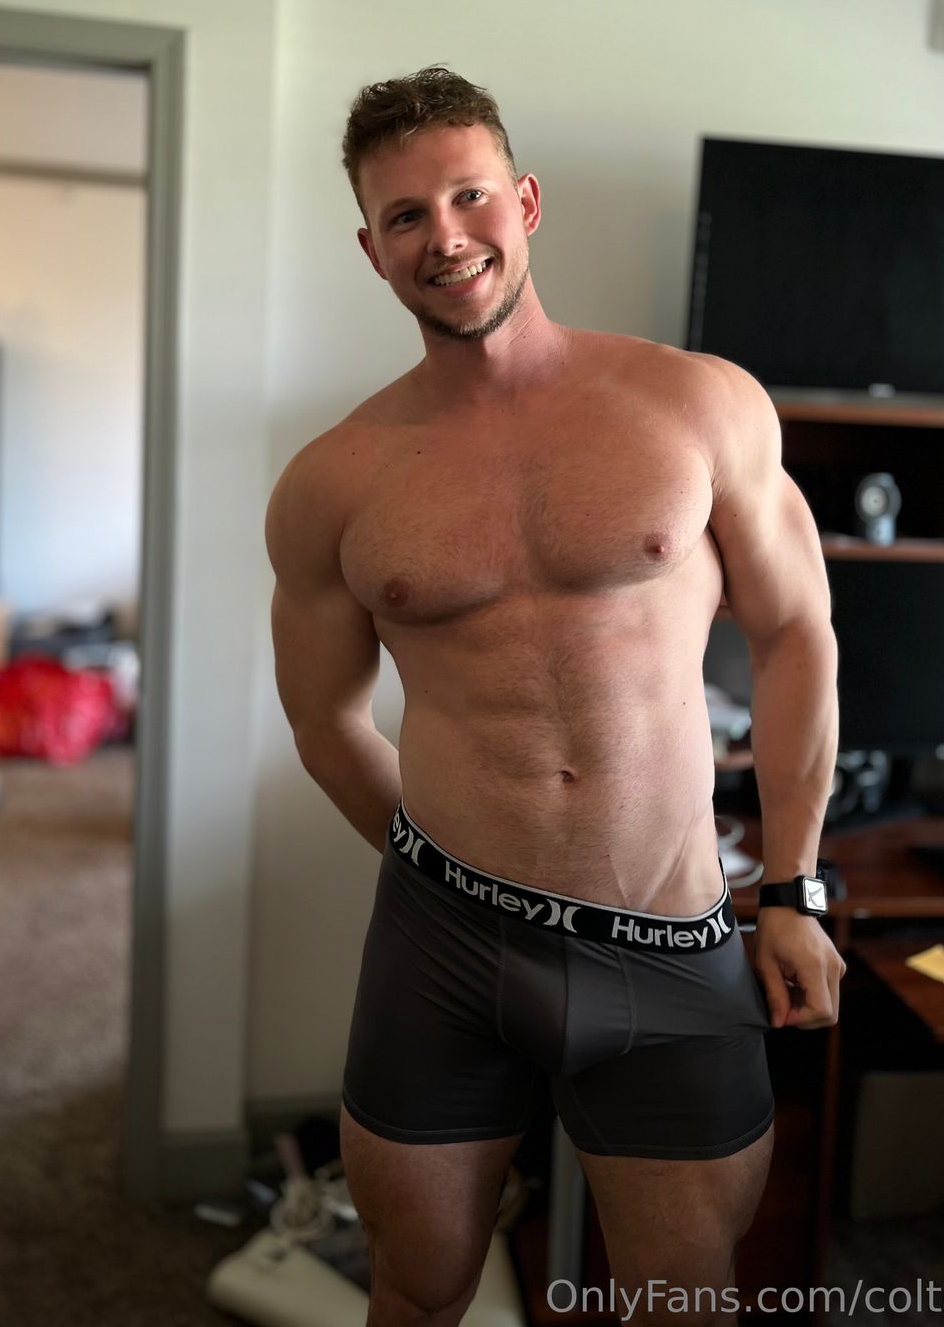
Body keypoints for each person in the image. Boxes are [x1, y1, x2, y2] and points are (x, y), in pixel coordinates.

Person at [266, 67, 845, 1325]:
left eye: (468, 196)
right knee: (417, 1289)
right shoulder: (333, 480)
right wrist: (441, 864)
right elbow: (325, 721)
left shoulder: (697, 403)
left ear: (523, 203)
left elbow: (797, 632)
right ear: (371, 248)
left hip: (670, 936)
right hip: (444, 944)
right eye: (406, 215)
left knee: (681, 1303)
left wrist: (794, 887)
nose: (445, 236)